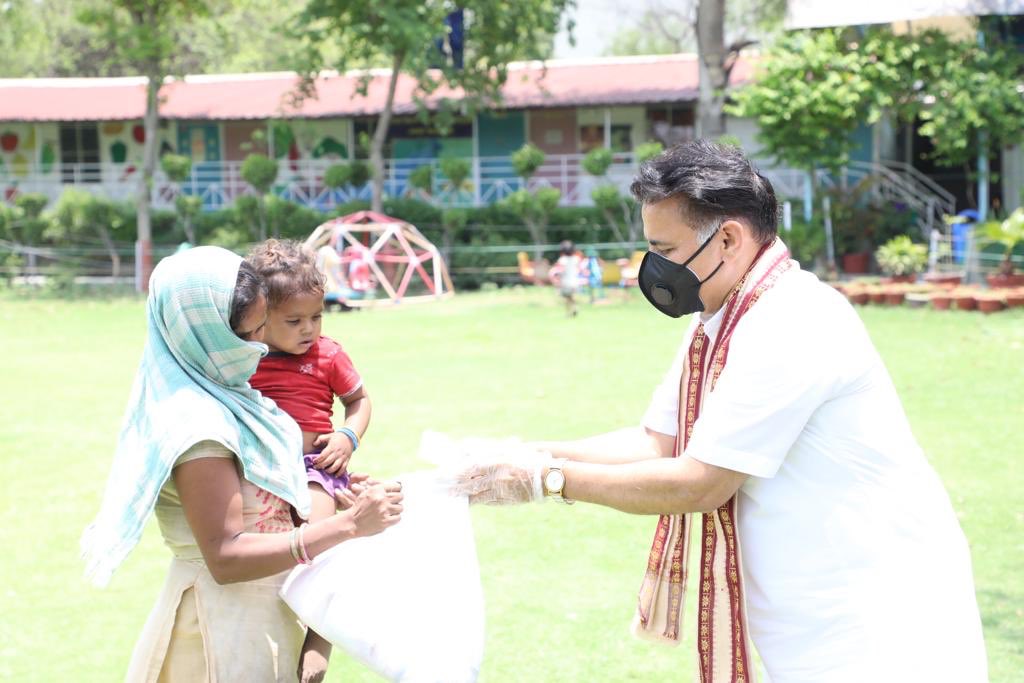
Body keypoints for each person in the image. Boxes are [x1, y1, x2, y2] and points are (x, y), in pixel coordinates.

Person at [453, 141, 987, 682]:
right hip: (810, 623)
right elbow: (658, 442)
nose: (655, 268)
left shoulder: (793, 319)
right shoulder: (720, 317)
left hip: (880, 623)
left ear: (727, 239)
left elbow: (701, 482)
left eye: (665, 249)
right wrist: (524, 453)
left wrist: (546, 480)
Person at [80, 246, 403, 682]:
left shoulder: (236, 398)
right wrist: (349, 526)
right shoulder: (198, 424)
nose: (260, 348)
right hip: (215, 642)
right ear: (205, 331)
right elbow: (227, 556)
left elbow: (272, 495)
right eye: (250, 334)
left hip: (264, 632)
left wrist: (331, 487)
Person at [246, 238, 372, 681]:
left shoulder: (328, 354)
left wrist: (347, 436)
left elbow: (359, 401)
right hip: (260, 471)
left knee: (321, 538)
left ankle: (320, 639)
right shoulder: (248, 357)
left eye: (317, 317)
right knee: (273, 559)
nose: (309, 329)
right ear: (260, 317)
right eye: (295, 320)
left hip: (317, 468)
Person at [550, 239, 582, 317]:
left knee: (566, 298)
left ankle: (568, 312)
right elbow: (579, 269)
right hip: (575, 281)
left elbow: (560, 270)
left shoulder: (562, 260)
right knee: (571, 296)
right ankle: (575, 308)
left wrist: (557, 279)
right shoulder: (576, 258)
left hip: (566, 282)